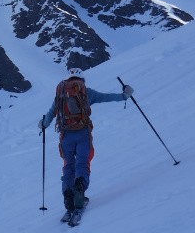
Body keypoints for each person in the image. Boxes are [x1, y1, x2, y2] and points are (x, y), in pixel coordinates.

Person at [38, 67, 132, 220]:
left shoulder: (61, 94)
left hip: (65, 136)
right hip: (83, 133)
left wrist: (43, 124)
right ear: (82, 80)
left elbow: (50, 114)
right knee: (82, 163)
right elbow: (106, 97)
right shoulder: (87, 92)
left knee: (68, 165)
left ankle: (68, 194)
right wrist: (124, 95)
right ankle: (80, 193)